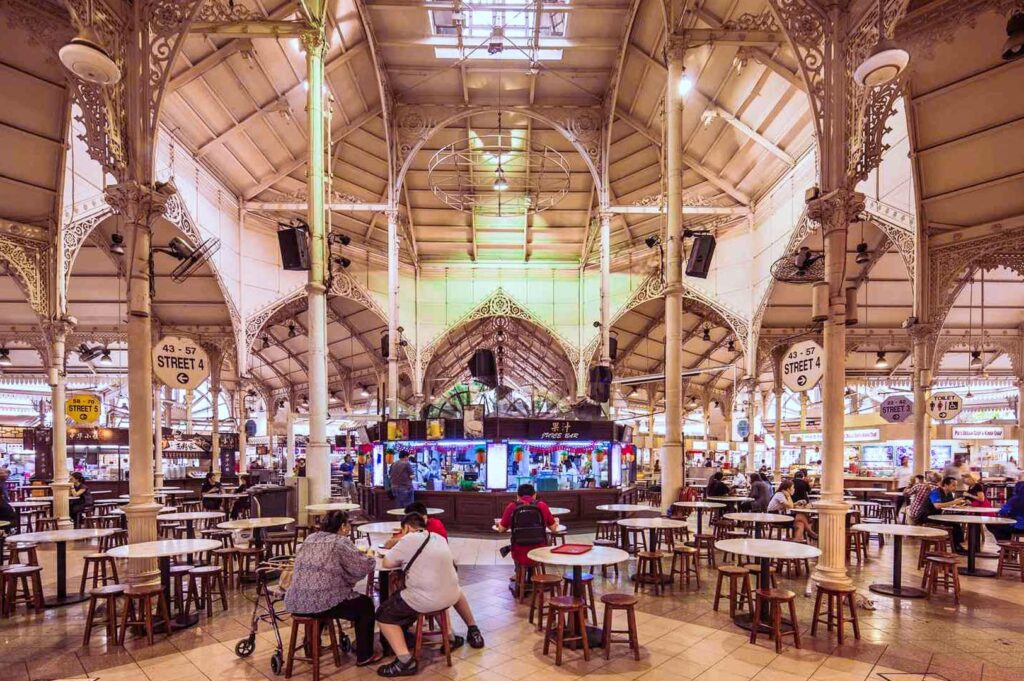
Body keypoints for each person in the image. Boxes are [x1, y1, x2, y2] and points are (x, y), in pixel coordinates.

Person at [377, 513, 482, 677]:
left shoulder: (408, 540)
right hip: (451, 595)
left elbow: (386, 562)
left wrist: (398, 542)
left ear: (407, 527)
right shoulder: (438, 538)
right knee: (434, 593)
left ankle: (405, 661)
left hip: (426, 599)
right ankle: (452, 636)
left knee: (383, 613)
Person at [283, 511, 381, 666]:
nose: (348, 529)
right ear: (342, 526)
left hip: (296, 600)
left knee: (319, 597)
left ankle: (312, 648)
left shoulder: (310, 538)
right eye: (347, 525)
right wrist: (370, 556)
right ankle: (365, 655)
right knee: (365, 605)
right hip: (321, 602)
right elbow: (361, 566)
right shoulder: (340, 542)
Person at [496, 483, 558, 568]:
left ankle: (519, 572)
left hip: (519, 551)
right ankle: (536, 573)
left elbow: (501, 529)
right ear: (534, 495)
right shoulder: (542, 505)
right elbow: (553, 528)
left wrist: (499, 524)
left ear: (517, 496)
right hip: (539, 550)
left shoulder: (512, 506)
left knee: (518, 556)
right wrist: (556, 521)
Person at [919, 476, 968, 553]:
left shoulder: (949, 494)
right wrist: (954, 502)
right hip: (927, 517)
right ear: (945, 485)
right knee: (954, 524)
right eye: (953, 485)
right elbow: (937, 506)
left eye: (956, 485)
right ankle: (957, 547)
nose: (955, 487)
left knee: (957, 519)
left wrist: (959, 504)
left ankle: (957, 544)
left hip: (937, 516)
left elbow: (950, 505)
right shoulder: (936, 492)